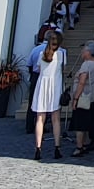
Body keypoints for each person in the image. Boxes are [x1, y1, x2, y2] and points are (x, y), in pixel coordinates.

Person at [31, 32, 66, 161]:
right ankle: (57, 147)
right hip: (55, 86)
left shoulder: (42, 54)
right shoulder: (62, 54)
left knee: (40, 119)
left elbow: (39, 70)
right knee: (56, 119)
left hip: (42, 85)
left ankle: (38, 148)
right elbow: (62, 70)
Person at [68, 45, 94, 156]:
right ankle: (85, 143)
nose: (82, 51)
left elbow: (82, 82)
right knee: (85, 121)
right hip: (90, 96)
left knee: (80, 123)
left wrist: (75, 98)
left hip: (82, 97)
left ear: (89, 52)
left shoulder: (86, 64)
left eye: (84, 50)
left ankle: (79, 147)